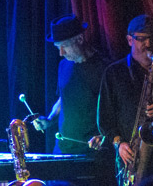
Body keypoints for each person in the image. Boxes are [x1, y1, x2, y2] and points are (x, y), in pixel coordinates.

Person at [97, 15, 153, 186]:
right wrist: (119, 143)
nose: (149, 44)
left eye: (152, 38)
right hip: (130, 159)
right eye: (142, 39)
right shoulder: (114, 73)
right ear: (130, 39)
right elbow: (104, 119)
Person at [33, 15, 110, 154]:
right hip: (62, 149)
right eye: (58, 47)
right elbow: (63, 98)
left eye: (65, 46)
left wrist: (104, 136)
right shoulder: (63, 65)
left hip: (91, 152)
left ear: (80, 39)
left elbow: (114, 110)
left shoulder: (104, 68)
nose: (61, 53)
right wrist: (50, 119)